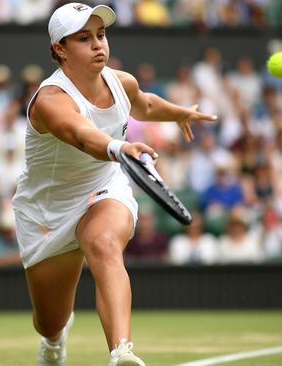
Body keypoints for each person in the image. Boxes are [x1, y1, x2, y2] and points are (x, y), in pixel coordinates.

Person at [11, 4, 215, 366]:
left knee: (104, 244)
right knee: (49, 321)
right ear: (60, 48)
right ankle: (55, 342)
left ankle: (121, 352)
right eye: (84, 38)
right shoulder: (50, 100)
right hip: (47, 212)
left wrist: (178, 112)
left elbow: (145, 105)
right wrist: (120, 147)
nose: (98, 45)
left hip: (103, 188)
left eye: (101, 35)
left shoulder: (122, 82)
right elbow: (81, 134)